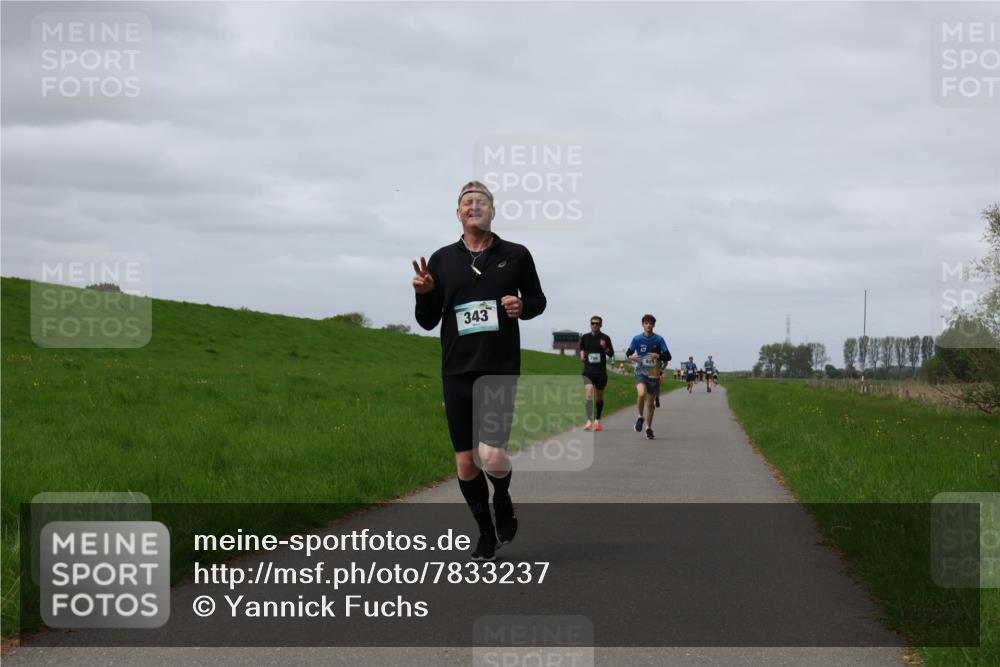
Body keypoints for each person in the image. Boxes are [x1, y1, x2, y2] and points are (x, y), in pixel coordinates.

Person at [412, 181, 546, 561]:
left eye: (482, 202)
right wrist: (423, 293)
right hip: (456, 369)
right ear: (458, 213)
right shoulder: (441, 260)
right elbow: (426, 321)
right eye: (467, 202)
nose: (475, 207)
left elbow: (537, 299)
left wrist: (523, 306)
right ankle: (485, 531)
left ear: (492, 210)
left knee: (491, 454)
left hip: (499, 367)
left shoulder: (516, 255)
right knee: (466, 461)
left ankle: (502, 496)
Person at [626, 315, 671, 440]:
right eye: (646, 323)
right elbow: (628, 353)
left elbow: (668, 356)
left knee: (651, 404)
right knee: (641, 394)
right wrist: (631, 357)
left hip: (654, 373)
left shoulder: (659, 339)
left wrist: (658, 355)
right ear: (642, 324)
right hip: (640, 372)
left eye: (651, 323)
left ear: (654, 325)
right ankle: (640, 416)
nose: (648, 325)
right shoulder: (637, 339)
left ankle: (648, 428)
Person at [579, 316, 614, 431]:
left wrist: (605, 347)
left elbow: (611, 354)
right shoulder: (585, 337)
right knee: (589, 393)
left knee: (599, 396)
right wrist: (582, 355)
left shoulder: (605, 338)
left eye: (597, 324)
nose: (594, 325)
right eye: (593, 323)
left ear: (601, 325)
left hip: (600, 372)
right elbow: (582, 349)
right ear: (590, 324)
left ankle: (597, 420)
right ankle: (589, 421)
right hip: (588, 371)